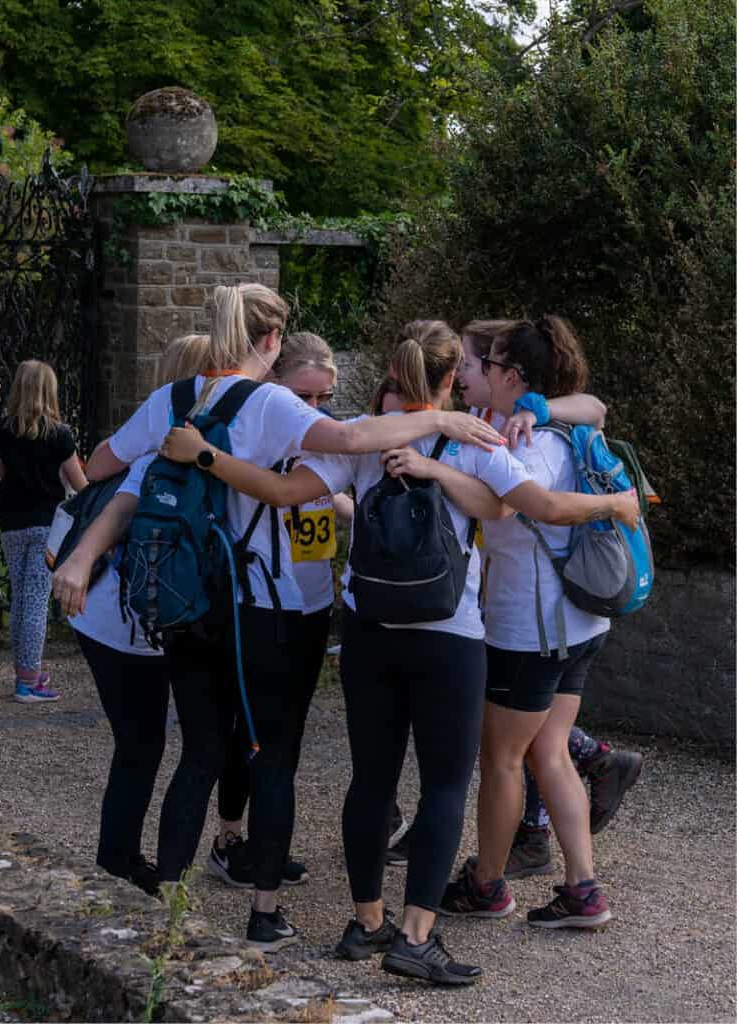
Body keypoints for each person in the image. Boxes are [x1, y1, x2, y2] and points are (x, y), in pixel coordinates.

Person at [161, 318, 638, 980]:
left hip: (367, 632)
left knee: (372, 779)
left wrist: (205, 456)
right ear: (451, 379)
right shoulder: (474, 436)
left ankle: (367, 924)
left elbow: (280, 491)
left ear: (393, 369)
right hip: (450, 637)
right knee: (444, 784)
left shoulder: (360, 436)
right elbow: (523, 506)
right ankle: (416, 938)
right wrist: (614, 503)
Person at [76, 284, 507, 952]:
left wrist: (90, 541)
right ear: (272, 342)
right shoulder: (270, 404)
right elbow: (351, 437)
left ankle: (167, 909)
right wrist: (441, 422)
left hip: (190, 600)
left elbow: (104, 463)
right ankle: (264, 913)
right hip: (271, 604)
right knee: (274, 759)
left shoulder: (173, 398)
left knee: (198, 753)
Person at [441, 315, 628, 930]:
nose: (480, 373)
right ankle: (582, 890)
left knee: (501, 757)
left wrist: (613, 504)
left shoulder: (505, 444)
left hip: (531, 630)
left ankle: (487, 885)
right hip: (581, 623)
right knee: (550, 751)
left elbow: (539, 506)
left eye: (488, 366)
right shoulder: (565, 428)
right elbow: (595, 405)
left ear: (512, 377)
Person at [52, 335, 211, 896]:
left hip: (114, 614)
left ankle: (118, 857)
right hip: (123, 617)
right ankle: (116, 862)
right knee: (142, 743)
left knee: (140, 742)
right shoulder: (165, 449)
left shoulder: (151, 438)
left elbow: (98, 468)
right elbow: (112, 497)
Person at [208, 332, 354, 889]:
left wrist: (348, 506)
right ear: (275, 385)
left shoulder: (324, 436)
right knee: (253, 729)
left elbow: (328, 495)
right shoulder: (259, 428)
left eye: (323, 399)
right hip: (261, 596)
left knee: (289, 730)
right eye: (304, 396)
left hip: (313, 598)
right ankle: (229, 837)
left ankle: (269, 844)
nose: (312, 410)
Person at [0, 360, 87, 703]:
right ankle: (29, 680)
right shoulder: (58, 434)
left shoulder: (1, 430)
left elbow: (1, 473)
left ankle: (25, 669)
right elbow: (81, 484)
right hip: (47, 524)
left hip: (12, 521)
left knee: (20, 599)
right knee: (35, 601)